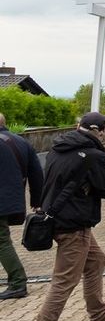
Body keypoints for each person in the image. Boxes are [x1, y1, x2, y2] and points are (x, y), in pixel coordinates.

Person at [30, 112, 105, 321]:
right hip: (73, 225)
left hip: (56, 217)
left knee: (96, 260)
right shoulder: (95, 155)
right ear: (103, 132)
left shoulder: (58, 147)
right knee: (64, 281)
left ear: (79, 126)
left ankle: (99, 315)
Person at [0, 112, 44, 300]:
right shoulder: (21, 142)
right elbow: (37, 173)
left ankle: (18, 282)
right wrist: (37, 201)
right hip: (13, 200)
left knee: (2, 241)